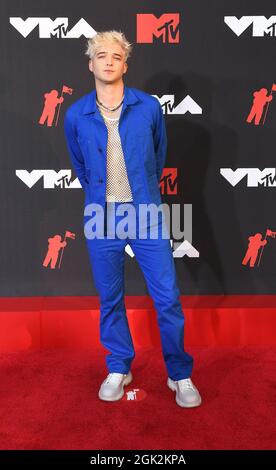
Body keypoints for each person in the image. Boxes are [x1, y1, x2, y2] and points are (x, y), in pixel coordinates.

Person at [64, 30, 202, 408]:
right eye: (101, 55)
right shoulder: (76, 113)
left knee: (167, 298)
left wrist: (143, 194)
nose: (109, 61)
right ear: (90, 63)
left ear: (125, 64)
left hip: (146, 213)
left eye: (116, 56)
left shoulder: (149, 107)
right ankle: (118, 366)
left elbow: (158, 156)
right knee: (110, 298)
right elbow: (80, 163)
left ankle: (180, 374)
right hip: (100, 214)